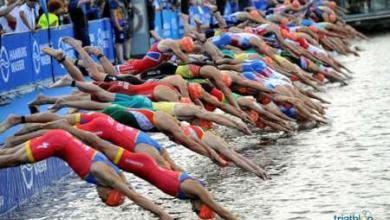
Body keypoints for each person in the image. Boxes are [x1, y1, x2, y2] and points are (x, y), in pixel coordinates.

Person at [0, 129, 173, 219]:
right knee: (14, 160)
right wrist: (161, 214)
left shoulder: (115, 174)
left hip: (60, 139)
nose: (99, 195)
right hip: (57, 143)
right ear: (109, 192)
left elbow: (129, 188)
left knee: (8, 155)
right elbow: (135, 197)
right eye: (102, 198)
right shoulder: (104, 175)